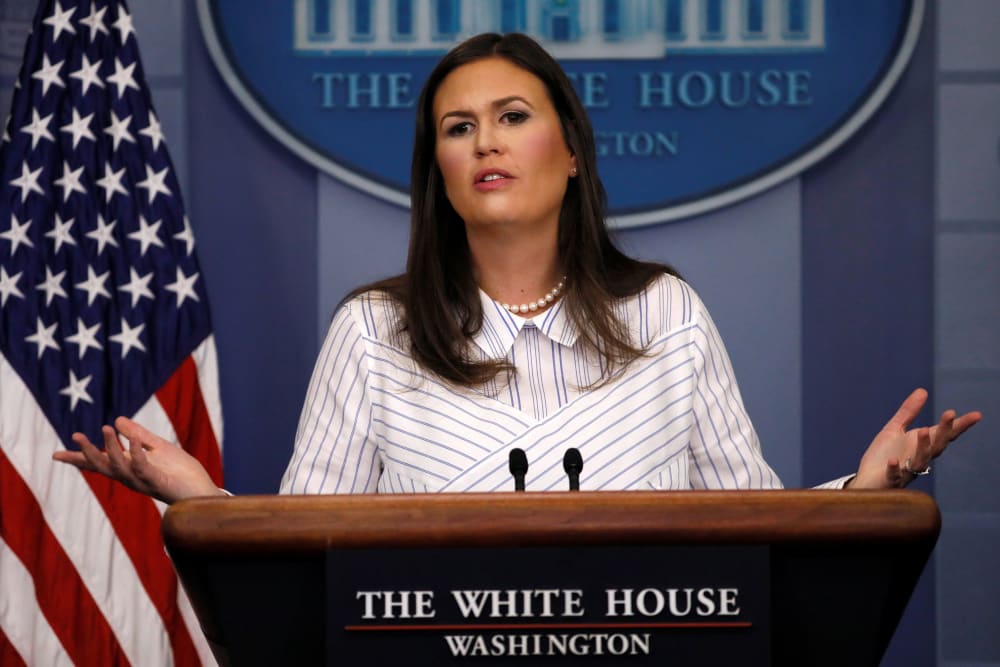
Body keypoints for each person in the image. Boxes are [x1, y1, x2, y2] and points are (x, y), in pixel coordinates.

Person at [54, 33, 980, 503]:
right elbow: (309, 546)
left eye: (512, 116)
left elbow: (753, 526)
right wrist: (204, 505)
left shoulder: (667, 313)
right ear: (441, 174)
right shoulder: (374, 330)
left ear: (572, 151)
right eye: (459, 128)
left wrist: (863, 494)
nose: (485, 141)